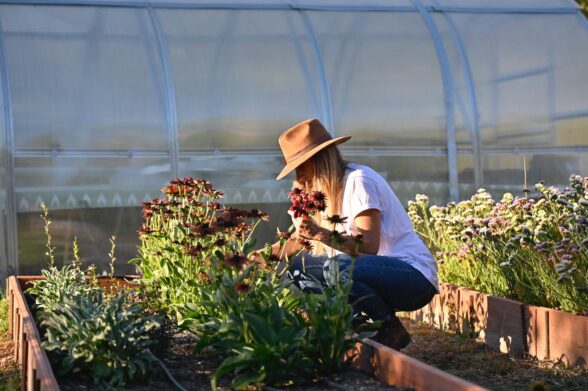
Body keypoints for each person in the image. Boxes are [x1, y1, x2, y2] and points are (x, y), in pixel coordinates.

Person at [270, 118, 439, 350]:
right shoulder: (324, 192)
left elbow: (369, 246)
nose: (298, 176)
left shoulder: (359, 181)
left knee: (336, 269)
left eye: (300, 165)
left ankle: (388, 328)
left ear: (318, 159)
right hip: (376, 274)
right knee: (300, 269)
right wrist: (257, 259)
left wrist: (320, 233)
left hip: (412, 278)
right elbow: (299, 242)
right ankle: (357, 324)